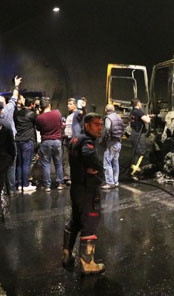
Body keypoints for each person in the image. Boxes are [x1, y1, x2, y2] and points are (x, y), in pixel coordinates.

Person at [61, 113, 105, 275]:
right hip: (87, 190)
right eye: (96, 124)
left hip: (77, 188)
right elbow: (88, 156)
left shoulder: (75, 139)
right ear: (86, 125)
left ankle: (66, 255)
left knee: (76, 221)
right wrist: (97, 168)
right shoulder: (87, 142)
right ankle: (87, 264)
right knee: (90, 222)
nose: (100, 127)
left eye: (101, 124)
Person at [0, 76, 22, 193]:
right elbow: (14, 98)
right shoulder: (8, 110)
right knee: (11, 167)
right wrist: (16, 85)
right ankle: (11, 188)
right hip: (10, 143)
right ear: (2, 104)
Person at [35, 98, 65, 191]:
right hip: (57, 141)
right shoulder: (57, 113)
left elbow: (39, 129)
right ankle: (60, 183)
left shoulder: (39, 117)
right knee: (58, 163)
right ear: (49, 105)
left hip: (45, 142)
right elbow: (61, 124)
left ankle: (47, 186)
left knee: (46, 164)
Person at [14, 96, 38, 191]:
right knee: (26, 163)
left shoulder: (18, 113)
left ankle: (19, 184)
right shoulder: (31, 114)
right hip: (27, 140)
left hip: (18, 140)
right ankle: (26, 184)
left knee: (20, 163)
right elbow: (38, 123)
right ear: (32, 105)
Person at [100, 104, 124, 190]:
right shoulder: (118, 117)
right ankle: (115, 181)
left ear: (106, 110)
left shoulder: (108, 118)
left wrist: (103, 140)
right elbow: (123, 129)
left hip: (112, 142)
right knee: (115, 162)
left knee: (107, 162)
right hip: (118, 142)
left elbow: (107, 129)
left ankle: (110, 182)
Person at [62, 97, 83, 186]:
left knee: (75, 159)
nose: (68, 105)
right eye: (68, 104)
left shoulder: (77, 113)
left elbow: (82, 115)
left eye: (70, 104)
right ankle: (67, 176)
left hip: (73, 139)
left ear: (75, 105)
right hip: (67, 139)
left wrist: (82, 108)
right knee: (66, 159)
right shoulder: (69, 115)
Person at [129, 98, 150, 176]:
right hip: (139, 134)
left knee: (135, 153)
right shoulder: (139, 111)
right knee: (141, 152)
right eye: (140, 103)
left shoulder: (132, 112)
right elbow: (147, 121)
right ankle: (135, 172)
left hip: (134, 133)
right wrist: (147, 116)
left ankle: (134, 170)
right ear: (137, 104)